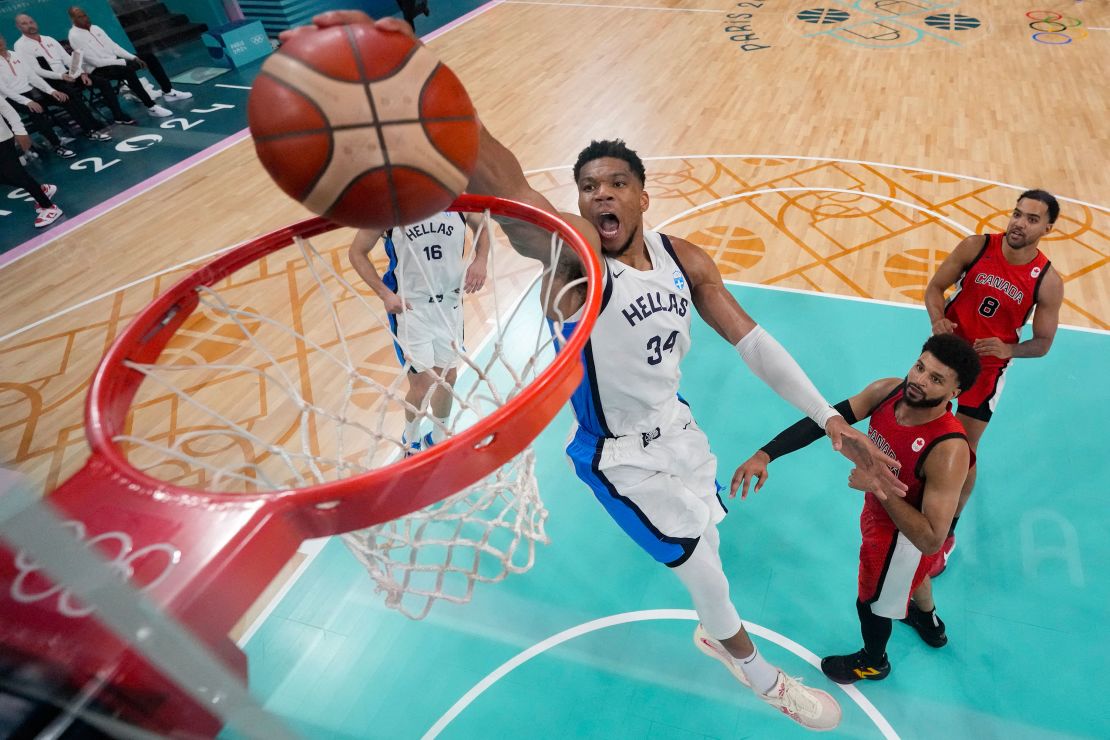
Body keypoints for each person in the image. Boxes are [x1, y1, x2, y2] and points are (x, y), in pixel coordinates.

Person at [286, 14, 908, 732]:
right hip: (618, 457)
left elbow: (753, 340)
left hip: (677, 429)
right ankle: (758, 674)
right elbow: (501, 174)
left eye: (617, 183)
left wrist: (832, 421)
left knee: (708, 543)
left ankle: (716, 627)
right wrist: (409, 68)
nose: (600, 195)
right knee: (701, 575)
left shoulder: (686, 259)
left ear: (645, 195)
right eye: (588, 187)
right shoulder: (574, 264)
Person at [733, 334, 981, 683]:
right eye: (920, 367)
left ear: (954, 393)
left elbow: (930, 540)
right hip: (886, 514)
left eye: (936, 379)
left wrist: (877, 485)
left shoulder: (947, 449)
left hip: (902, 536)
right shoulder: (888, 391)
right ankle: (928, 621)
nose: (919, 380)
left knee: (871, 599)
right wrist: (766, 453)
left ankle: (874, 660)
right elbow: (826, 420)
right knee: (914, 576)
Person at [921, 190, 1064, 574]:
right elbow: (935, 290)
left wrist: (1008, 350)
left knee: (963, 452)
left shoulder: (1047, 281)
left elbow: (1044, 343)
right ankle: (914, 493)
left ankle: (946, 531)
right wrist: (937, 319)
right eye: (1017, 214)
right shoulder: (977, 246)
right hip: (943, 355)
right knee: (918, 425)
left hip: (986, 370)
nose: (1019, 223)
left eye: (1032, 219)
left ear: (1047, 228)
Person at [348, 211, 490, 454]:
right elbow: (356, 252)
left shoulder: (456, 199)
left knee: (448, 378)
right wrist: (385, 294)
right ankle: (410, 438)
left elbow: (483, 225)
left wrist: (481, 260)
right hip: (411, 309)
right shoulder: (389, 207)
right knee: (422, 386)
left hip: (449, 305)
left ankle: (438, 436)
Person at [0, 33, 111, 159]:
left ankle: (90, 131)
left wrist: (52, 91)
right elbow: (3, 89)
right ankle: (57, 145)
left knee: (66, 98)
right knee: (36, 112)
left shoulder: (15, 54)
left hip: (31, 91)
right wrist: (27, 102)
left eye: (0, 39)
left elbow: (32, 77)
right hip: (10, 98)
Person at [14, 13, 137, 126]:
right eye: (24, 23)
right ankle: (93, 125)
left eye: (31, 22)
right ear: (18, 27)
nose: (30, 25)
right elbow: (36, 71)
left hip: (69, 74)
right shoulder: (20, 45)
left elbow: (67, 59)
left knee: (102, 82)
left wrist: (81, 73)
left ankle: (118, 115)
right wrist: (61, 76)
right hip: (51, 81)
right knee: (71, 93)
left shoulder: (48, 39)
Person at [67, 7, 187, 119]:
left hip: (114, 61)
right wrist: (122, 62)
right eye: (80, 17)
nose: (85, 18)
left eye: (84, 15)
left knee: (148, 57)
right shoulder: (74, 36)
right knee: (127, 71)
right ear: (72, 19)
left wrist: (132, 58)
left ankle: (168, 91)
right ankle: (151, 107)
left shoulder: (96, 28)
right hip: (98, 69)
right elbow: (95, 62)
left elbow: (114, 46)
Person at [1, 96, 62, 228]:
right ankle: (41, 189)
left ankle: (49, 208)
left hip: (2, 139)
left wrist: (20, 132)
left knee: (18, 174)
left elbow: (7, 109)